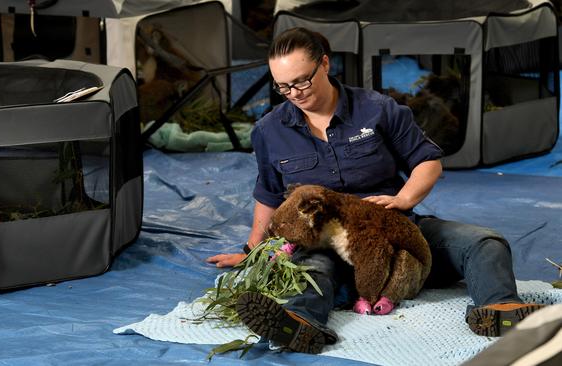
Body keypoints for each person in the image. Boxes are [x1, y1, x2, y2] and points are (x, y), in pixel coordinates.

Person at [206, 27, 545, 354]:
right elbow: (267, 194)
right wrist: (252, 252)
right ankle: (300, 325)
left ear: (324, 63)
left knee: (484, 241)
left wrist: (404, 199)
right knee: (314, 271)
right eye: (284, 87)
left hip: (395, 231)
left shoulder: (377, 109)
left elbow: (427, 162)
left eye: (302, 80)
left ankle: (500, 310)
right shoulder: (269, 130)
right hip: (328, 243)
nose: (295, 93)